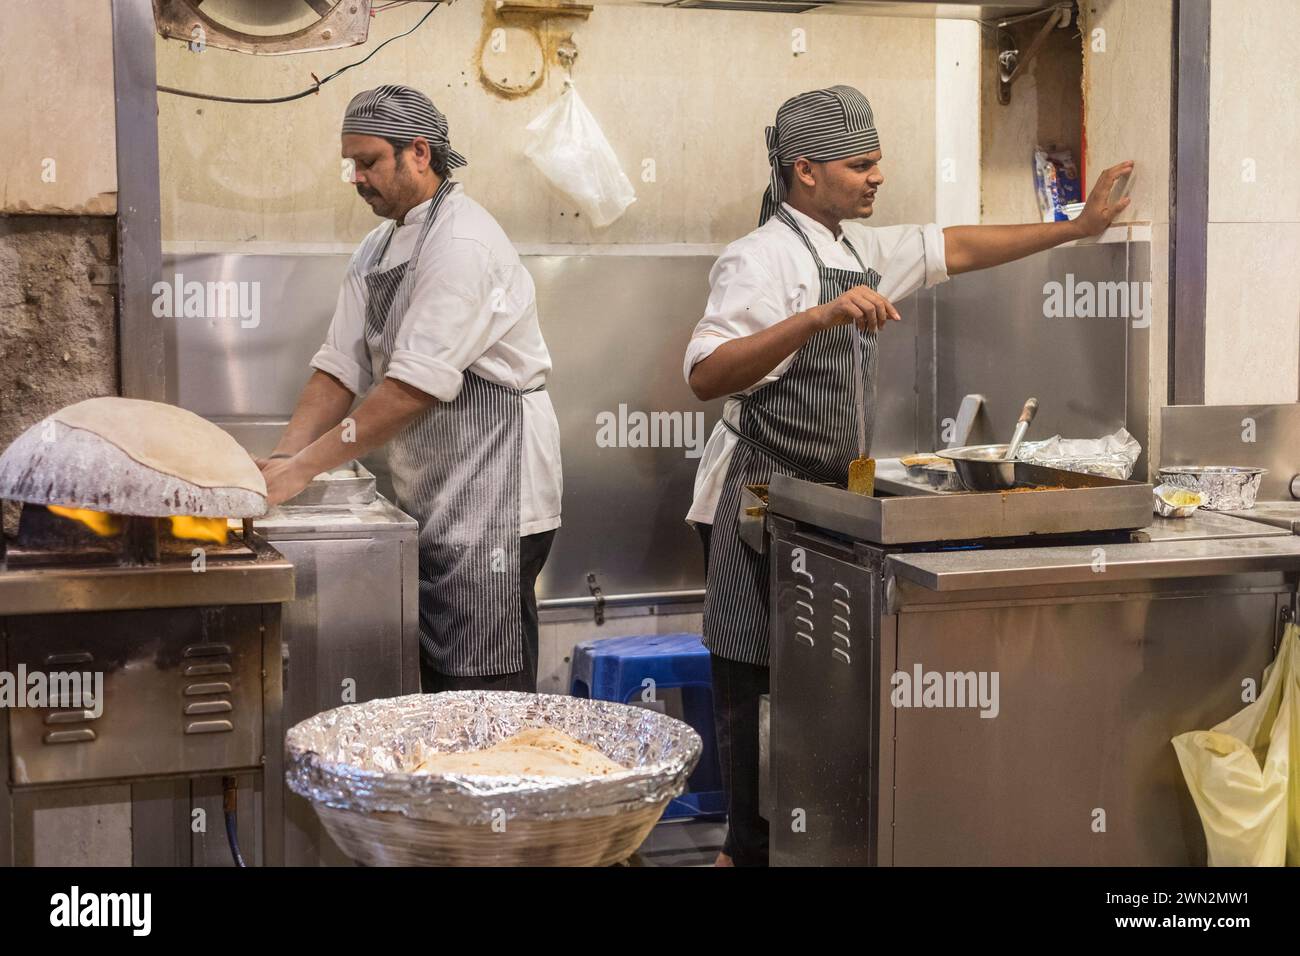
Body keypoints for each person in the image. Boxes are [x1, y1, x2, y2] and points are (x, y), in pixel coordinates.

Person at [685, 85, 1133, 866]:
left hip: (840, 490)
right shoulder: (759, 260)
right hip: (762, 491)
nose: (877, 177)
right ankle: (745, 850)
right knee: (753, 675)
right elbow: (705, 372)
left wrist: (1079, 228)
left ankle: (817, 841)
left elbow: (956, 246)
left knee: (821, 684)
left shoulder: (860, 250)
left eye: (878, 162)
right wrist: (817, 317)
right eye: (860, 165)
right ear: (806, 171)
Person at [260, 85, 563, 693]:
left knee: (483, 679)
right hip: (433, 489)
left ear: (419, 153)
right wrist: (285, 457)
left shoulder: (463, 244)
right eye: (350, 163)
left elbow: (408, 391)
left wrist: (304, 472)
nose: (355, 177)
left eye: (368, 161)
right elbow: (338, 367)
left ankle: (497, 785)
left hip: (494, 495)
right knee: (440, 669)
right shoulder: (377, 247)